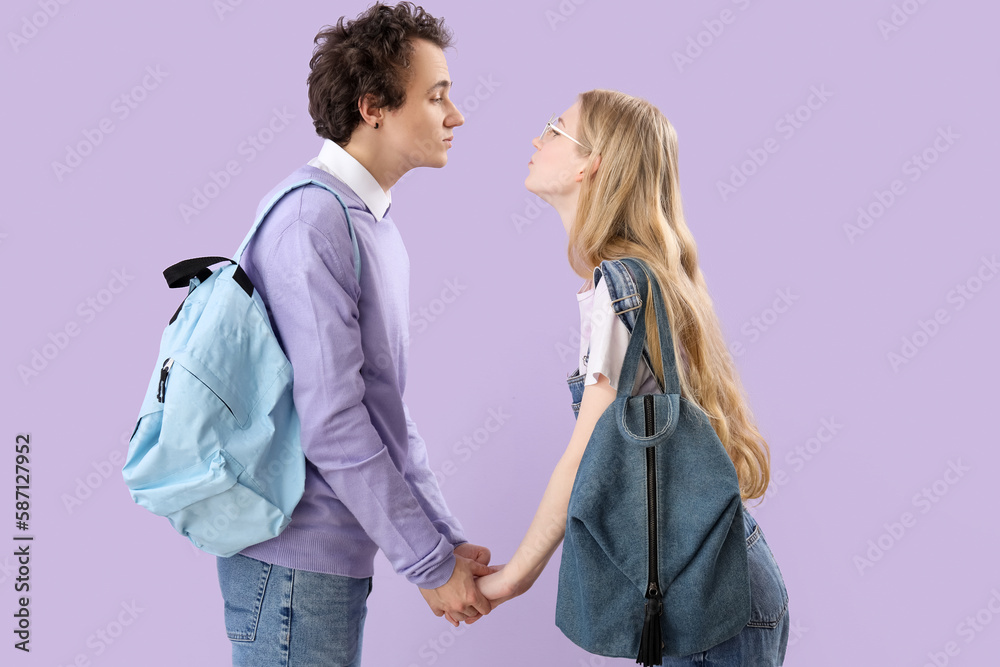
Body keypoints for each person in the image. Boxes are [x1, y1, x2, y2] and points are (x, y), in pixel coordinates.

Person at [214, 4, 493, 666]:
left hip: (324, 569)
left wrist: (443, 540)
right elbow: (336, 424)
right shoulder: (312, 221)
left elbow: (385, 415)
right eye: (437, 96)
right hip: (292, 572)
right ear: (374, 107)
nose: (456, 116)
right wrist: (428, 562)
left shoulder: (364, 220)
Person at [475, 90, 790, 665]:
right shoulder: (640, 278)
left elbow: (583, 462)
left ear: (589, 163)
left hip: (709, 601)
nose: (536, 140)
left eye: (554, 129)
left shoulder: (620, 284)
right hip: (711, 586)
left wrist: (513, 578)